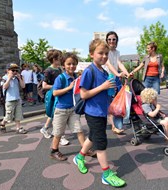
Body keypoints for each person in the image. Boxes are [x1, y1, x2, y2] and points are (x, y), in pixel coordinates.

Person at [73, 39, 126, 187]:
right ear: (91, 54)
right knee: (101, 144)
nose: (104, 56)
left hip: (101, 112)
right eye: (100, 53)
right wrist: (103, 87)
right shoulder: (89, 71)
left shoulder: (104, 71)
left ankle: (79, 157)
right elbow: (83, 94)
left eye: (106, 54)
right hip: (93, 112)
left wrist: (110, 92)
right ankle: (106, 174)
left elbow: (104, 91)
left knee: (93, 137)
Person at [50, 52, 96, 161]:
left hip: (73, 109)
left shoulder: (77, 77)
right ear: (63, 65)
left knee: (79, 130)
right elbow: (55, 93)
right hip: (61, 109)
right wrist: (68, 88)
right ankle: (54, 151)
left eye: (74, 64)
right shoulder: (60, 78)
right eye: (69, 64)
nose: (72, 66)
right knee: (58, 132)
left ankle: (85, 149)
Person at [40, 49, 69, 146]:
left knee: (54, 115)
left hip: (60, 94)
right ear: (54, 59)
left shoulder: (60, 69)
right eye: (59, 58)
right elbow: (44, 86)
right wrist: (57, 86)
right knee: (59, 115)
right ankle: (61, 137)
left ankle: (45, 128)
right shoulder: (48, 70)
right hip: (53, 95)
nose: (61, 59)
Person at [103, 31, 131, 134]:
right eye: (109, 39)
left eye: (114, 39)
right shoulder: (105, 51)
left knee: (117, 102)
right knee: (109, 102)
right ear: (106, 41)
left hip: (115, 78)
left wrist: (127, 73)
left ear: (117, 41)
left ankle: (116, 125)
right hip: (107, 77)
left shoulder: (117, 52)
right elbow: (109, 64)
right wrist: (117, 74)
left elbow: (119, 63)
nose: (111, 41)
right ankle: (114, 126)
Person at [0, 63, 27, 134]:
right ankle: (2, 123)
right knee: (9, 116)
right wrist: (9, 78)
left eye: (16, 70)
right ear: (7, 70)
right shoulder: (4, 78)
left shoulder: (17, 78)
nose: (15, 72)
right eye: (13, 70)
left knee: (18, 114)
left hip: (17, 99)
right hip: (9, 100)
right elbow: (4, 87)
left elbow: (23, 86)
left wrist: (20, 78)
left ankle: (18, 128)